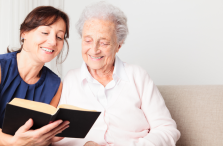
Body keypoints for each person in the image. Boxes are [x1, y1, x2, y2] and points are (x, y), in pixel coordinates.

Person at [54, 2, 180, 146]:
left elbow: (167, 129)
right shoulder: (71, 79)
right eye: (88, 40)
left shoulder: (137, 76)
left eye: (104, 43)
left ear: (118, 45)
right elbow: (57, 137)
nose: (94, 50)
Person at [0, 6, 70, 145]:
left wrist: (49, 136)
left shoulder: (55, 85)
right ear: (24, 32)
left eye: (59, 37)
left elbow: (40, 136)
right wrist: (13, 143)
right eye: (45, 32)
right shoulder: (1, 68)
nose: (53, 42)